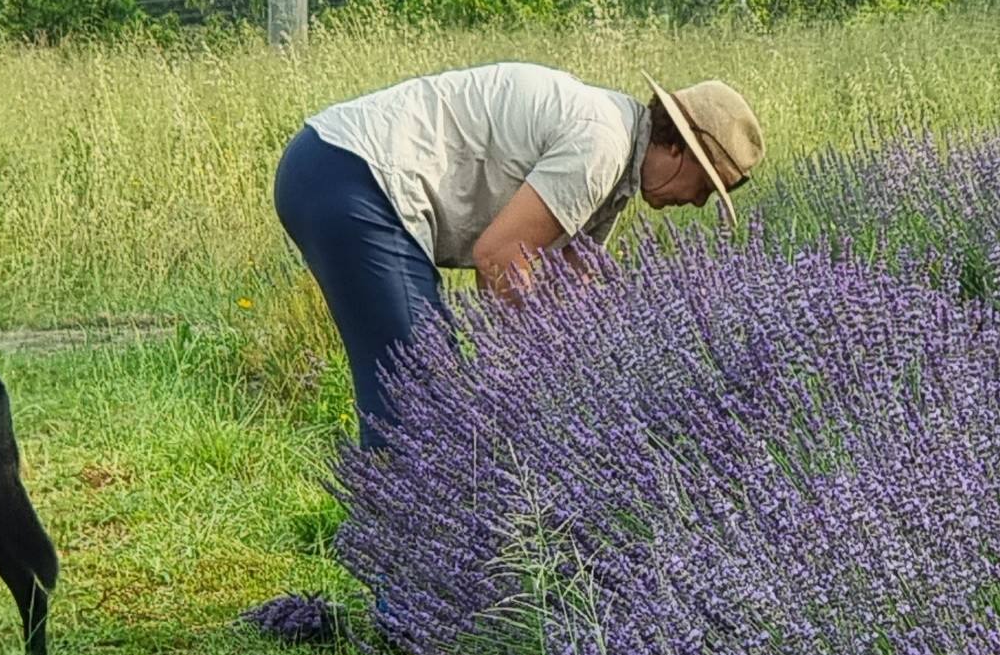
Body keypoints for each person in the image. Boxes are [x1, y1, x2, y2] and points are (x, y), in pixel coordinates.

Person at [272, 61, 764, 453]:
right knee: (420, 388)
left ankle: (402, 560)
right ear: (677, 148)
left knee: (421, 386)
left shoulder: (616, 171)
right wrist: (524, 382)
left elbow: (569, 290)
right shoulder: (602, 146)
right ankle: (392, 568)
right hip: (350, 174)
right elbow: (501, 258)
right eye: (705, 187)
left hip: (336, 172)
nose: (697, 203)